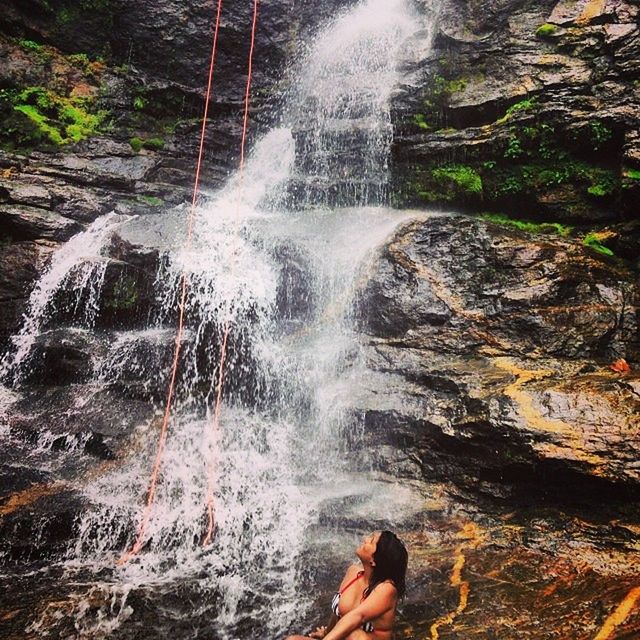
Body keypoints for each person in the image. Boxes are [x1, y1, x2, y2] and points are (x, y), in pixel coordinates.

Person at [286, 530, 408, 640]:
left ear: (374, 560)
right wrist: (327, 633)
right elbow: (339, 614)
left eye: (371, 541)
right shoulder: (353, 572)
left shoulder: (387, 588)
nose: (365, 539)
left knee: (354, 635)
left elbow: (357, 616)